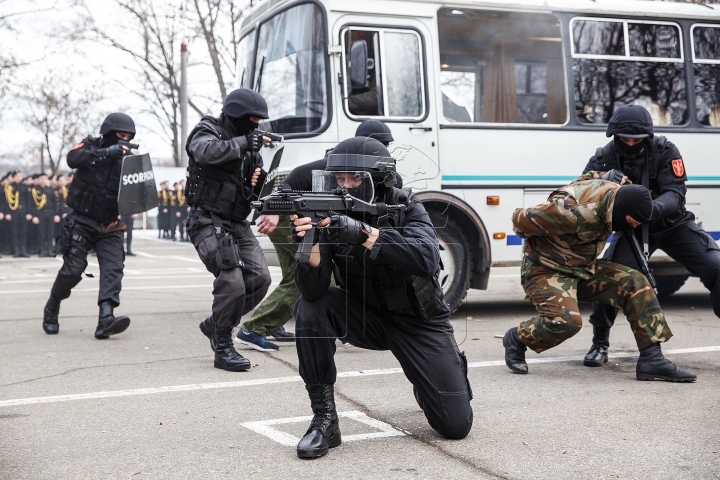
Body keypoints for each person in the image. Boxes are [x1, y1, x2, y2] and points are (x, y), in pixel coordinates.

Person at [290, 137, 472, 459]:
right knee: (309, 308)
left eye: (355, 178)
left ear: (381, 177)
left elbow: (427, 257)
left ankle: (447, 367)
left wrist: (363, 234)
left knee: (455, 426)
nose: (345, 186)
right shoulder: (330, 211)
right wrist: (311, 244)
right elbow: (313, 291)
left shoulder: (407, 205)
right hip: (368, 317)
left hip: (419, 322)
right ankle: (325, 420)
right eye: (339, 178)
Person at [502, 172, 696, 382]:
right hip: (545, 269)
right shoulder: (569, 211)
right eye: (632, 222)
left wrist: (600, 174)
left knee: (635, 281)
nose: (633, 227)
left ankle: (652, 359)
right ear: (621, 211)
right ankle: (517, 337)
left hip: (583, 267)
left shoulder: (621, 193)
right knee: (566, 322)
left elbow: (602, 181)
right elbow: (518, 220)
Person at [237, 121, 397, 351]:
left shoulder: (362, 170)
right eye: (382, 144)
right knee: (311, 276)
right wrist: (271, 210)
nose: (385, 150)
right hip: (290, 217)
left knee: (292, 275)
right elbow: (295, 178)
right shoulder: (343, 165)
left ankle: (274, 324)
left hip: (296, 217)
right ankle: (254, 329)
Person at [582, 105, 720, 367]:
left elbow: (675, 194)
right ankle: (599, 341)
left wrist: (650, 210)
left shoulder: (665, 150)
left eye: (637, 139)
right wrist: (604, 187)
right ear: (615, 135)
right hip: (630, 229)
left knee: (717, 266)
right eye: (625, 139)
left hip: (673, 224)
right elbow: (583, 195)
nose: (631, 143)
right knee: (609, 277)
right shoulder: (604, 157)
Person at [185, 88, 273, 372]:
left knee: (260, 277)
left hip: (236, 222)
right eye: (252, 119)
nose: (256, 125)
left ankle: (215, 323)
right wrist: (245, 143)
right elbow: (205, 152)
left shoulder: (251, 148)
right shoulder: (207, 130)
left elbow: (248, 190)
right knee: (232, 281)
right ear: (237, 115)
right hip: (207, 220)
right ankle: (223, 344)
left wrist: (258, 184)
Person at [42, 113, 137, 339]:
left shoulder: (130, 160)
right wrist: (105, 153)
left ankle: (106, 318)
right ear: (109, 133)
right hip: (82, 221)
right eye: (120, 136)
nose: (124, 141)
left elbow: (138, 193)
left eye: (128, 137)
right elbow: (72, 158)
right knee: (73, 270)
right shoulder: (91, 146)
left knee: (113, 269)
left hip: (111, 224)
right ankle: (53, 304)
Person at [30, 173, 59, 257]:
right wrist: (34, 215)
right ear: (38, 180)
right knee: (41, 233)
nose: (43, 180)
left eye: (44, 178)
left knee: (50, 233)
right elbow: (32, 204)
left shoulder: (51, 190)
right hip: (40, 213)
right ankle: (42, 250)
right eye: (41, 179)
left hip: (50, 212)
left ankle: (49, 250)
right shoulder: (34, 190)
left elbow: (55, 203)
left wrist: (56, 214)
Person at [4, 170, 30, 258]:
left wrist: (28, 212)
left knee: (23, 231)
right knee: (14, 232)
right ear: (13, 178)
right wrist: (7, 213)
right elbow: (6, 201)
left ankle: (23, 250)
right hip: (13, 212)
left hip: (23, 211)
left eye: (20, 176)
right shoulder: (9, 187)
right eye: (17, 177)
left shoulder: (24, 186)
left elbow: (28, 200)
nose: (19, 178)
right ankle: (16, 251)